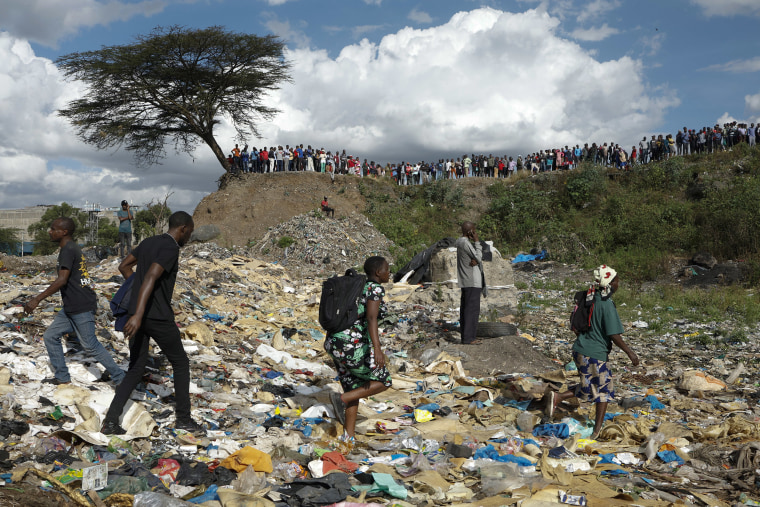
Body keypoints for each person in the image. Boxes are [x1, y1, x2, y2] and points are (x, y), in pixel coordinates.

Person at [101, 211, 201, 435]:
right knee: (180, 363)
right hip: (155, 316)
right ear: (183, 228)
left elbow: (124, 267)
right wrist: (138, 313)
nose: (188, 237)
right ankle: (184, 419)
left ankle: (110, 421)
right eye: (190, 232)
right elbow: (151, 277)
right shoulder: (171, 247)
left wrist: (136, 300)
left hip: (138, 316)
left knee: (136, 367)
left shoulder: (148, 242)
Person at [24, 218, 125, 386]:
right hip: (71, 306)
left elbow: (62, 280)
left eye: (53, 228)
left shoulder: (68, 249)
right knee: (50, 336)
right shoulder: (71, 248)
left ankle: (121, 379)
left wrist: (36, 299)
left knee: (90, 345)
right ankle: (62, 377)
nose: (50, 231)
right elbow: (81, 277)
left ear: (64, 232)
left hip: (80, 306)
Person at [544, 265, 639, 440]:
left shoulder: (588, 297)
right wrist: (630, 353)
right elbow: (613, 334)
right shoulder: (606, 304)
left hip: (580, 350)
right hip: (594, 354)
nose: (618, 283)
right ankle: (597, 431)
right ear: (609, 282)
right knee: (603, 392)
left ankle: (557, 398)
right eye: (616, 280)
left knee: (589, 384)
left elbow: (576, 324)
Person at [325, 256, 392, 442]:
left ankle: (349, 439)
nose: (389, 273)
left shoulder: (357, 285)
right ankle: (340, 399)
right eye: (387, 269)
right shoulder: (374, 288)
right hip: (350, 345)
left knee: (353, 388)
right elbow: (372, 318)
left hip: (334, 342)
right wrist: (377, 349)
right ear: (378, 272)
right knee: (384, 380)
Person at [457, 222, 487, 345]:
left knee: (466, 309)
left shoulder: (459, 242)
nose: (475, 233)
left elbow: (475, 259)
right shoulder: (465, 242)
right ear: (470, 232)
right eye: (473, 231)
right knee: (472, 311)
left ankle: (466, 337)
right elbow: (478, 257)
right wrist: (477, 242)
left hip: (465, 280)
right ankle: (469, 338)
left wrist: (476, 259)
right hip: (472, 281)